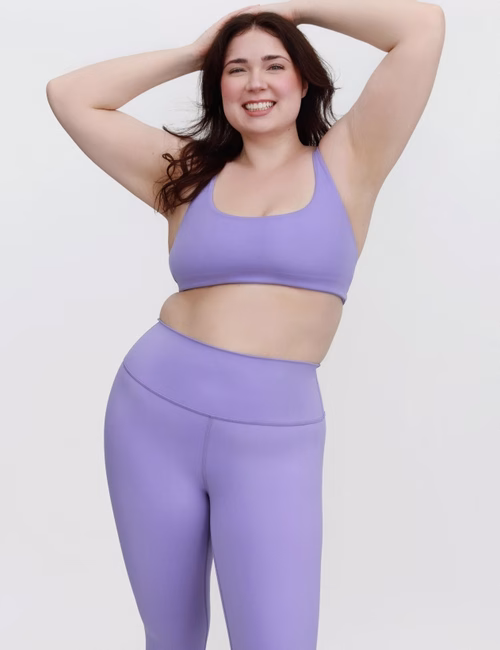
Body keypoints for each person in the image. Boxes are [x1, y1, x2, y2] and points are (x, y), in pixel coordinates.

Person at [46, 2, 445, 648]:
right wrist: (193, 52)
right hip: (151, 416)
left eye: (274, 65)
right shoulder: (184, 174)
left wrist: (297, 9)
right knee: (171, 636)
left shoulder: (350, 161)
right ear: (218, 86)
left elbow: (421, 29)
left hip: (274, 438)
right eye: (235, 70)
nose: (255, 82)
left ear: (304, 80)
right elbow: (70, 96)